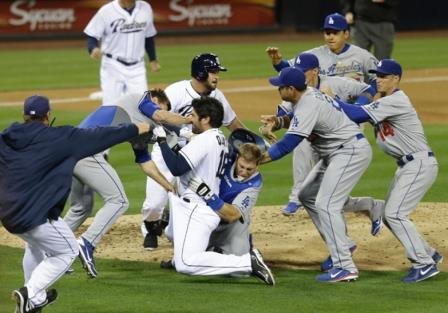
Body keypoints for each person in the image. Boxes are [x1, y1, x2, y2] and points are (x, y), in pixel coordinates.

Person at [0, 95, 151, 313]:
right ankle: (30, 293)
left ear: (24, 115)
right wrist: (136, 128)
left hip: (9, 214)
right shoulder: (62, 138)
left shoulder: (6, 137)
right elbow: (102, 135)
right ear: (48, 115)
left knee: (34, 245)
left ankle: (34, 300)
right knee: (67, 251)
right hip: (34, 215)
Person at [335, 59, 443, 283]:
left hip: (419, 165)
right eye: (377, 75)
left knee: (395, 213)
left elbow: (357, 115)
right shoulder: (384, 100)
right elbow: (362, 109)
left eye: (384, 76)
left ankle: (423, 264)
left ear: (396, 79)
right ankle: (430, 253)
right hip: (408, 166)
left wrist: (329, 100)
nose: (378, 79)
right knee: (387, 214)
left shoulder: (397, 100)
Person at [262, 67, 372, 282]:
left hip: (349, 151)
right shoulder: (307, 96)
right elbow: (295, 119)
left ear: (291, 89)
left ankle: (345, 266)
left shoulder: (307, 104)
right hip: (336, 152)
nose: (278, 89)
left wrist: (256, 160)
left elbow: (287, 144)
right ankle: (345, 245)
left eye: (280, 87)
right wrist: (277, 122)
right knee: (307, 195)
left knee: (327, 204)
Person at [152, 96, 275, 285]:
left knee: (186, 263)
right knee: (173, 235)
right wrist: (171, 140)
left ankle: (247, 262)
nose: (190, 119)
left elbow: (177, 167)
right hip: (196, 208)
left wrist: (161, 141)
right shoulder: (219, 139)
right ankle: (194, 251)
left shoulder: (207, 140)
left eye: (193, 115)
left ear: (206, 119)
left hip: (199, 209)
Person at [64, 90, 185, 278]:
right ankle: (86, 243)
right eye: (163, 107)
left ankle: (53, 251)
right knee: (119, 201)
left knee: (81, 207)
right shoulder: (141, 99)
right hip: (87, 151)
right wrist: (190, 121)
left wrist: (168, 186)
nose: (162, 119)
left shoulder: (139, 126)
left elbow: (146, 165)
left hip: (70, 152)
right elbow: (161, 115)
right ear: (155, 100)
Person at [266, 13, 378, 216]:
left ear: (346, 33)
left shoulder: (361, 56)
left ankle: (343, 203)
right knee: (303, 144)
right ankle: (297, 197)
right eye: (327, 32)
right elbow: (288, 73)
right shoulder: (310, 61)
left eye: (335, 33)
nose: (330, 37)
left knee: (336, 164)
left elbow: (376, 80)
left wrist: (361, 108)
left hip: (348, 120)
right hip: (320, 116)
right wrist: (278, 64)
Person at [140, 53, 246, 250]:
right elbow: (157, 113)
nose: (217, 76)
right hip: (166, 152)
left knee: (193, 200)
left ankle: (176, 225)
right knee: (154, 204)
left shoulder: (217, 96)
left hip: (196, 156)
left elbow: (233, 124)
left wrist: (250, 145)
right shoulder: (177, 91)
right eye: (213, 72)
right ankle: (151, 226)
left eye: (217, 72)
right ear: (200, 73)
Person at [84, 0, 160, 105]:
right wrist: (92, 48)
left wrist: (153, 59)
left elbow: (149, 36)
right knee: (110, 106)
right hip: (112, 65)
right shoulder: (106, 11)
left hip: (137, 67)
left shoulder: (145, 8)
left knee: (141, 106)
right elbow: (92, 34)